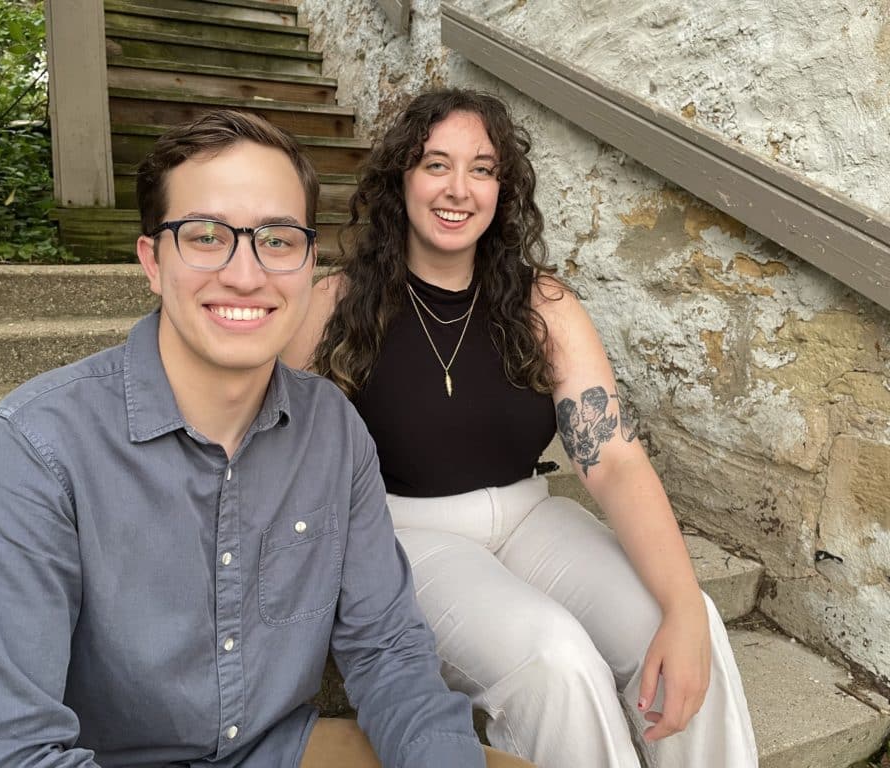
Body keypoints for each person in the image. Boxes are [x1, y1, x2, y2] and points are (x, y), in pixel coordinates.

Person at [0, 109, 532, 768]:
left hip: (277, 751)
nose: (246, 275)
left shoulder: (333, 431)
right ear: (153, 262)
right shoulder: (39, 448)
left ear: (306, 262)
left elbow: (389, 651)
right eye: (207, 236)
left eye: (277, 239)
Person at [284, 89, 760, 767]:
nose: (458, 189)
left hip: (532, 518)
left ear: (503, 190)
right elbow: (280, 449)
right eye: (435, 164)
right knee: (556, 660)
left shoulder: (543, 305)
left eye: (481, 168)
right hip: (404, 536)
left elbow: (615, 461)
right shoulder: (333, 306)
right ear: (401, 179)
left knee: (691, 625)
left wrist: (684, 603)